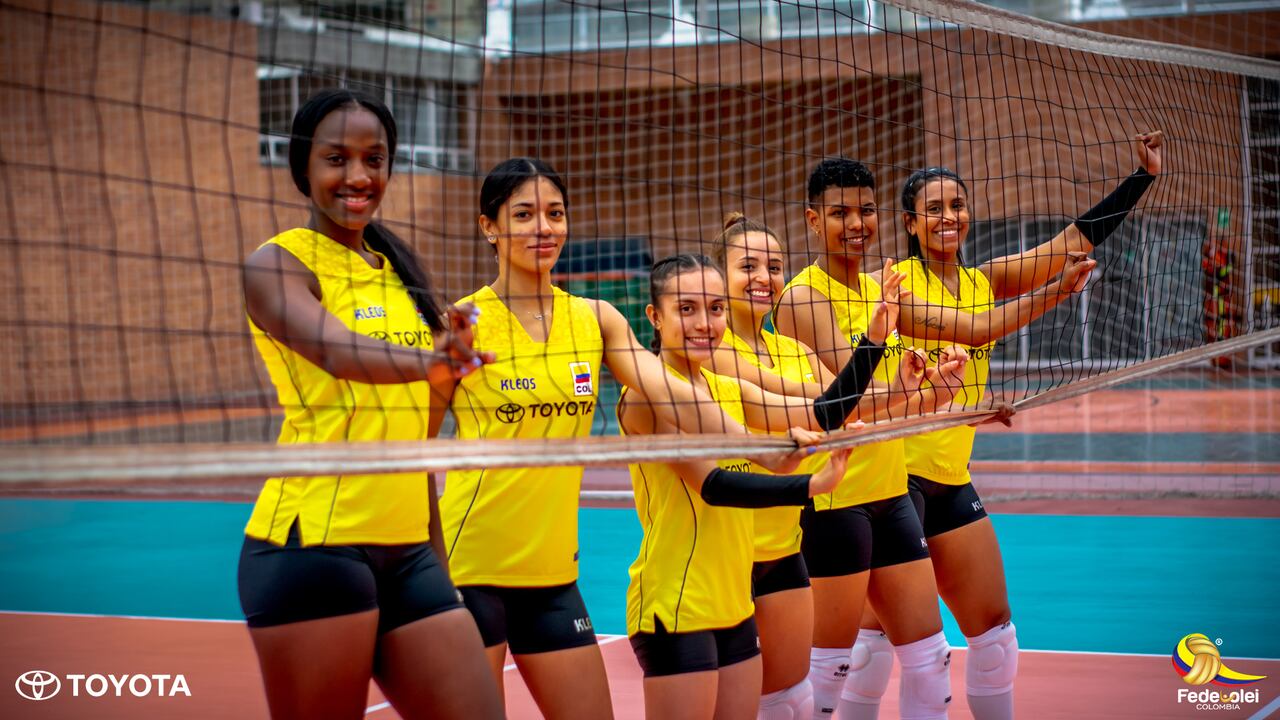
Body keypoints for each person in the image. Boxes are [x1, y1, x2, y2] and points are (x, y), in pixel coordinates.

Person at [842, 132, 1162, 720]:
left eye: (957, 205)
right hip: (891, 481)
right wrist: (1055, 292)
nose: (948, 217)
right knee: (881, 647)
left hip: (950, 477)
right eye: (932, 208)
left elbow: (1071, 240)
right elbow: (977, 331)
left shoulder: (983, 280)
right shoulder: (896, 285)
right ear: (910, 223)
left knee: (994, 639)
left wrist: (1141, 178)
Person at [237, 88, 503, 720]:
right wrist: (434, 361)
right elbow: (336, 351)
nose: (358, 176)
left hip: (408, 550)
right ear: (303, 167)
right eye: (337, 159)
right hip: (314, 546)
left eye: (374, 158)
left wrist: (438, 559)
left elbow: (418, 437)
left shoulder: (399, 274)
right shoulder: (277, 265)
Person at [618, 252, 883, 720]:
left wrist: (873, 343)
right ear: (654, 317)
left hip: (734, 603)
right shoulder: (644, 397)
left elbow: (824, 412)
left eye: (716, 308)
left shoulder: (727, 389)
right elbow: (714, 486)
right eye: (687, 309)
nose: (705, 323)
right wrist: (813, 485)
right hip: (676, 602)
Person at [772, 158, 972, 720]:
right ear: (814, 221)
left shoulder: (882, 288)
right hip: (837, 501)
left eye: (865, 210)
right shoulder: (803, 297)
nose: (856, 222)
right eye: (840, 213)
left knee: (932, 661)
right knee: (829, 673)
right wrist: (917, 388)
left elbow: (968, 334)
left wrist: (942, 387)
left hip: (890, 492)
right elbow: (853, 398)